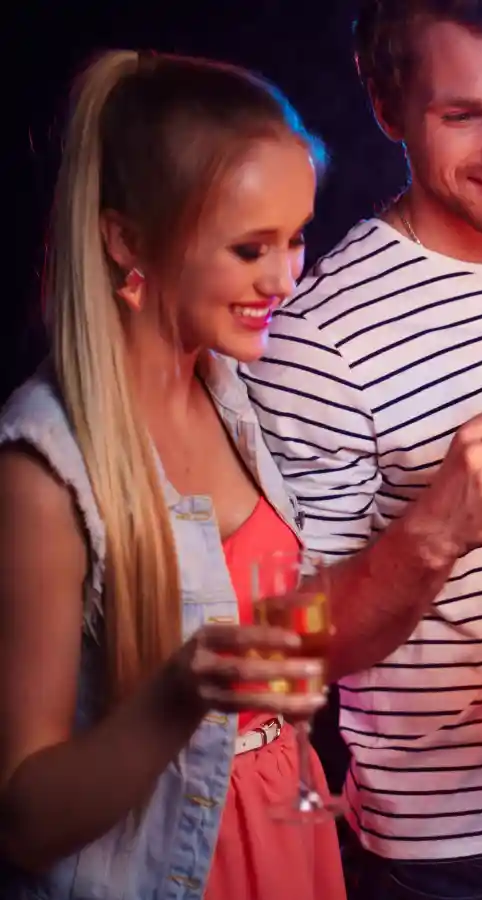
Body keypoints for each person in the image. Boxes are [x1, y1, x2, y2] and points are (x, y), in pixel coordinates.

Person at [241, 0, 482, 897]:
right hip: (449, 845)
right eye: (464, 115)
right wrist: (436, 528)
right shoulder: (315, 337)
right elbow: (303, 645)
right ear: (388, 111)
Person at [0, 50, 344, 899]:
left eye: (295, 238)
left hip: (286, 839)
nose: (284, 279)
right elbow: (23, 821)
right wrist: (180, 692)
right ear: (127, 239)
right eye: (248, 247)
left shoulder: (231, 391)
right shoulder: (44, 470)